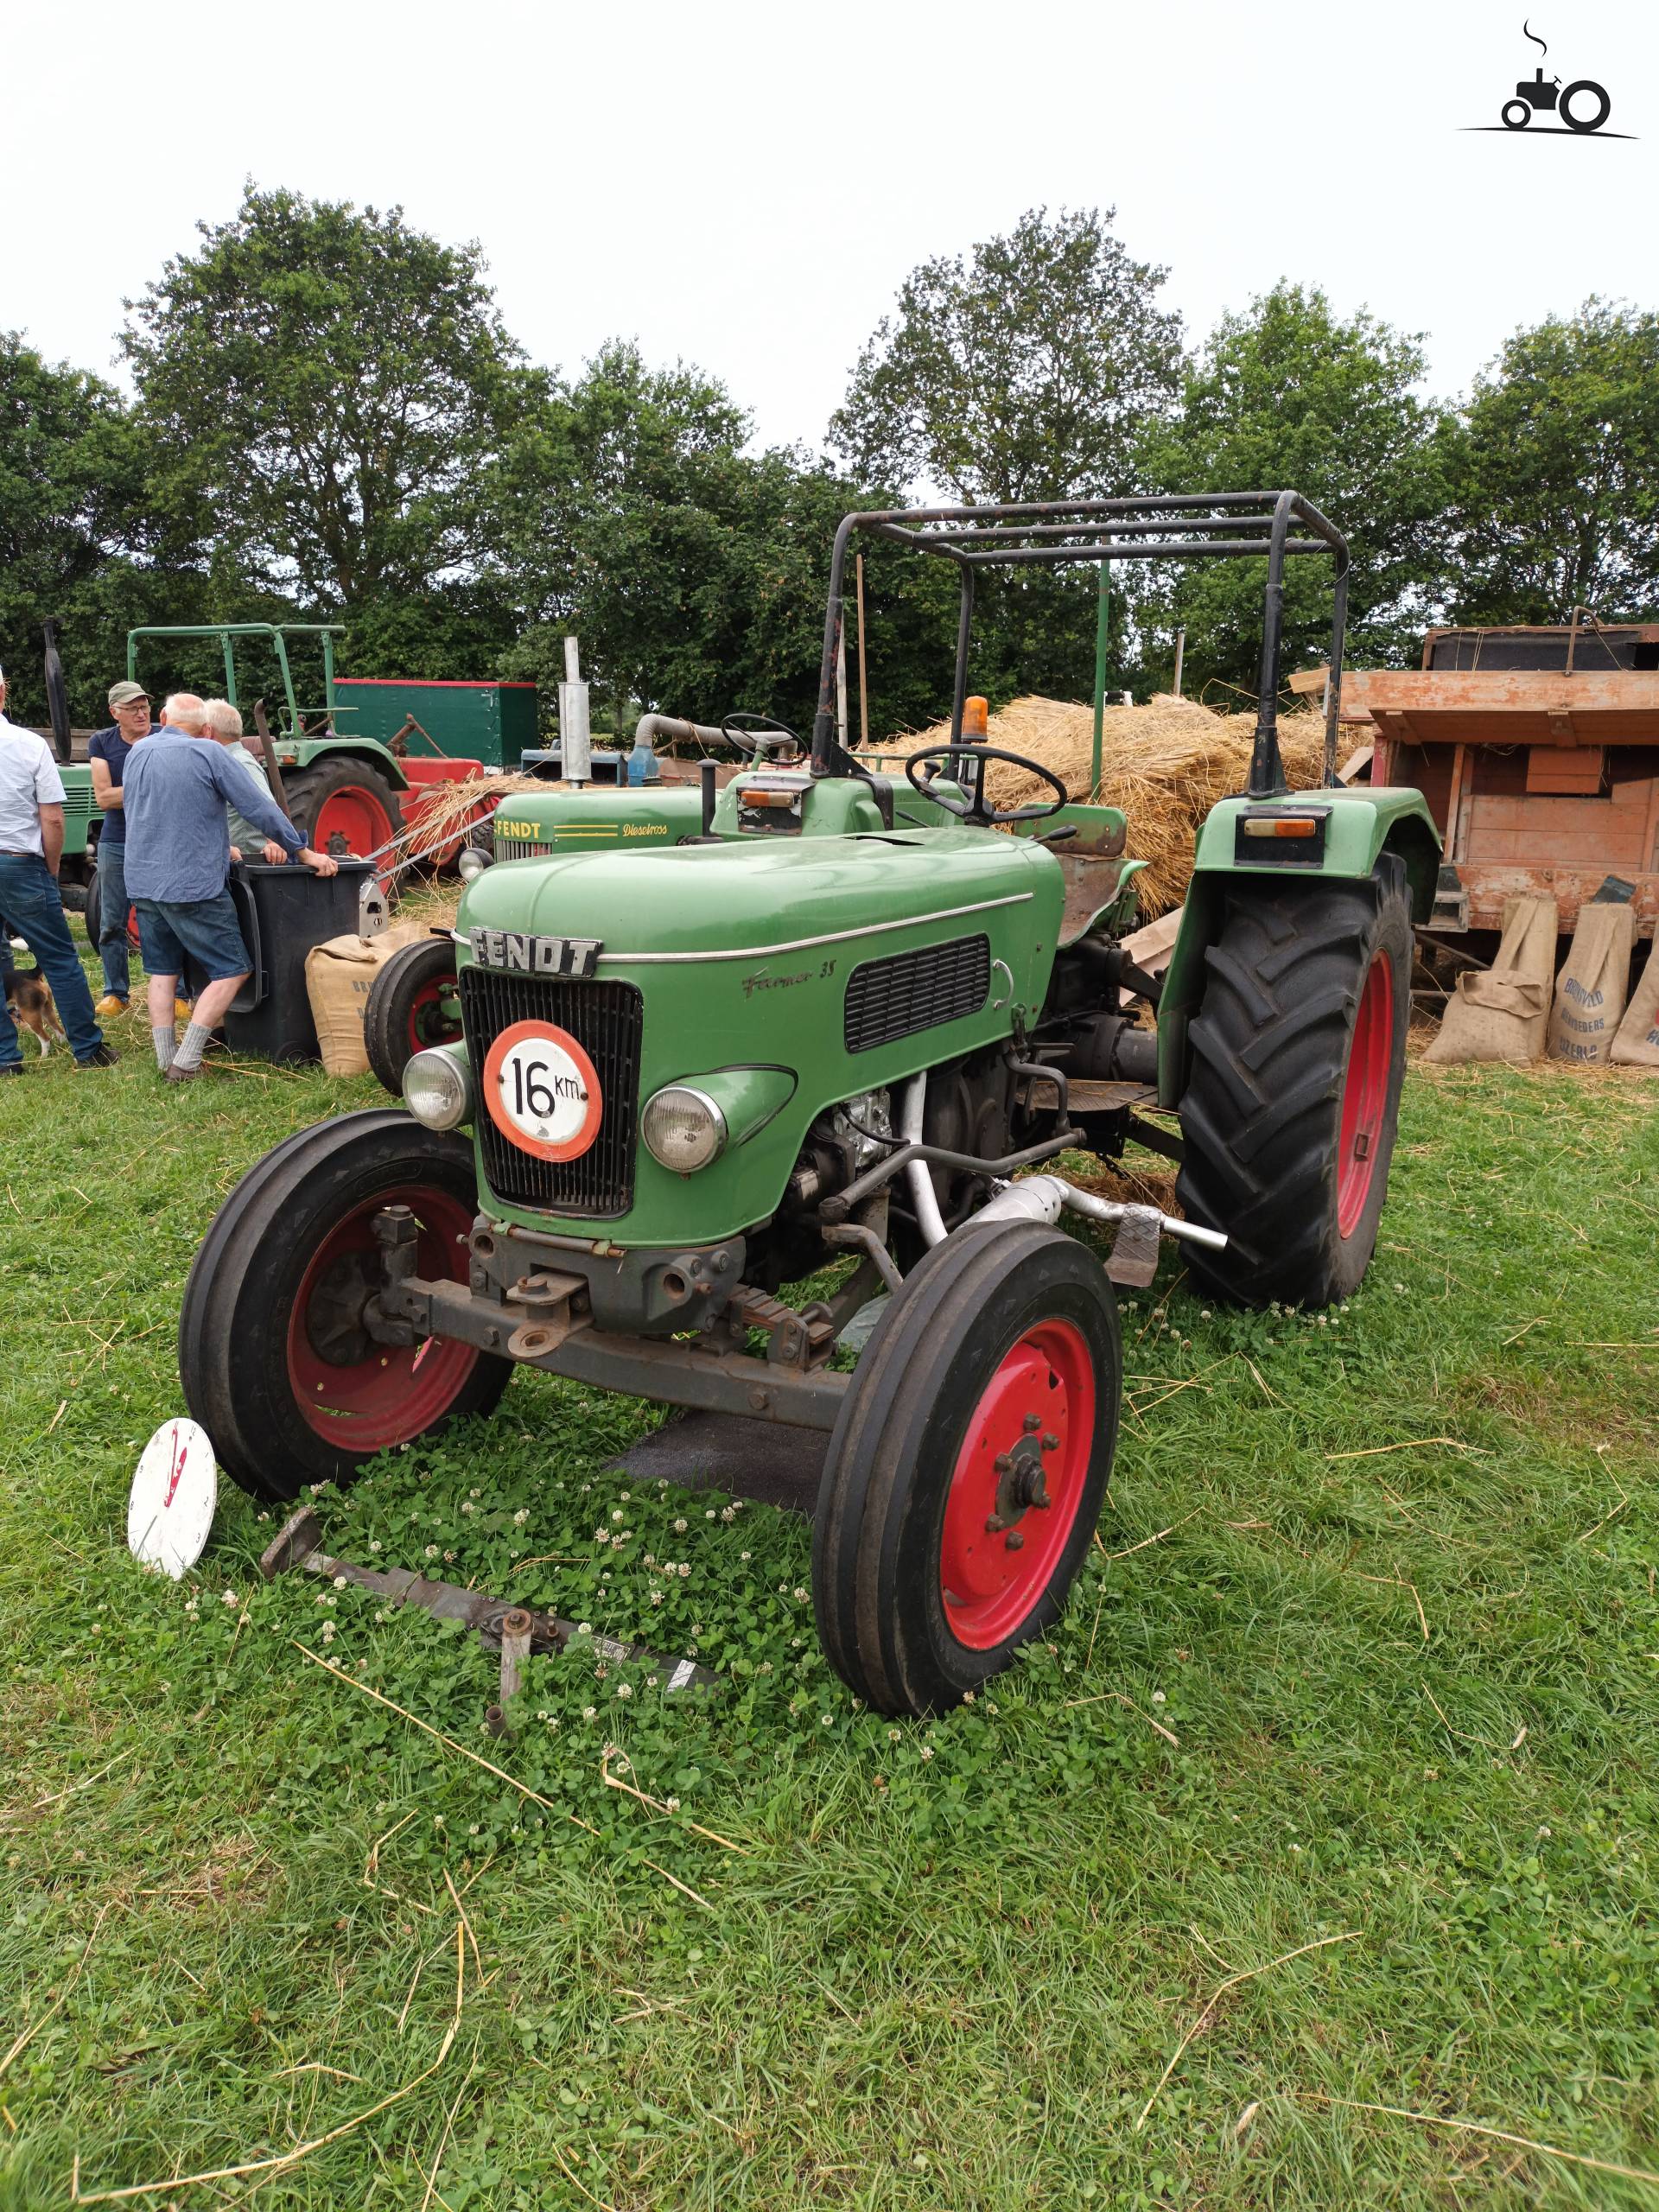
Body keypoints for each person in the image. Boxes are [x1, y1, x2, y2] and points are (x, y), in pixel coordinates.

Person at [123, 691, 338, 1082]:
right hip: (191, 884)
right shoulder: (210, 752)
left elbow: (156, 811)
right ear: (206, 729)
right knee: (232, 969)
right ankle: (185, 1063)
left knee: (162, 971)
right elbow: (259, 807)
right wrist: (302, 852)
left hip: (143, 880)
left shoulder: (138, 751)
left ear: (162, 717)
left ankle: (163, 1058)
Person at [0, 664, 117, 1073]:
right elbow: (52, 819)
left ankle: (5, 1059)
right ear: (3, 693)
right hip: (19, 864)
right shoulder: (29, 745)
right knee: (60, 958)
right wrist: (50, 868)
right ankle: (88, 1049)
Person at [86, 679, 155, 1016]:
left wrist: (124, 791)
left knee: (164, 917)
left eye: (144, 707)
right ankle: (116, 993)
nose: (141, 713)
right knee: (112, 920)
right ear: (115, 712)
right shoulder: (102, 742)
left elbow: (117, 794)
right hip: (117, 841)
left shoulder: (162, 737)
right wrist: (151, 785)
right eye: (133, 708)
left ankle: (178, 993)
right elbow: (104, 798)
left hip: (159, 839)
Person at [201, 699, 287, 863]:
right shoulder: (224, 761)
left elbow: (267, 807)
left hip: (243, 864)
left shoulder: (240, 763)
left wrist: (275, 842)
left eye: (198, 730)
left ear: (208, 732)